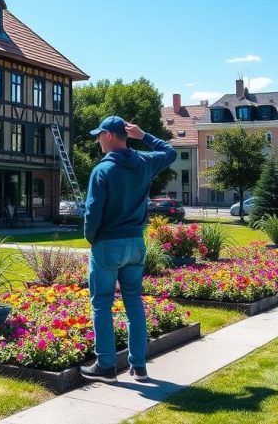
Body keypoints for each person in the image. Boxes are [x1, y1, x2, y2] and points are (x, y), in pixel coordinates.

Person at [80, 116, 176, 383]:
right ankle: (140, 367)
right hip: (136, 243)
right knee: (133, 302)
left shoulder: (102, 171)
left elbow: (92, 212)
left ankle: (106, 366)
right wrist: (143, 134)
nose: (98, 139)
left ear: (109, 136)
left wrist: (91, 238)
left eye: (100, 135)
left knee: (101, 303)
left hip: (108, 243)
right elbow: (170, 152)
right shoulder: (144, 163)